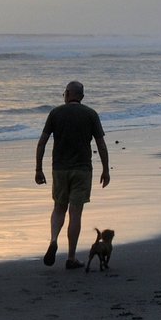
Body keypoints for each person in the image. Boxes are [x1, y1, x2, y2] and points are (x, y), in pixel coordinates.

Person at [35, 80, 110, 269]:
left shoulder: (55, 113)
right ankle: (71, 257)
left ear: (67, 94)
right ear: (82, 96)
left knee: (59, 208)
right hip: (82, 169)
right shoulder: (91, 114)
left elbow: (42, 142)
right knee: (75, 214)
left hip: (59, 169)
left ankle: (53, 240)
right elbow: (101, 144)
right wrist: (106, 169)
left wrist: (38, 169)